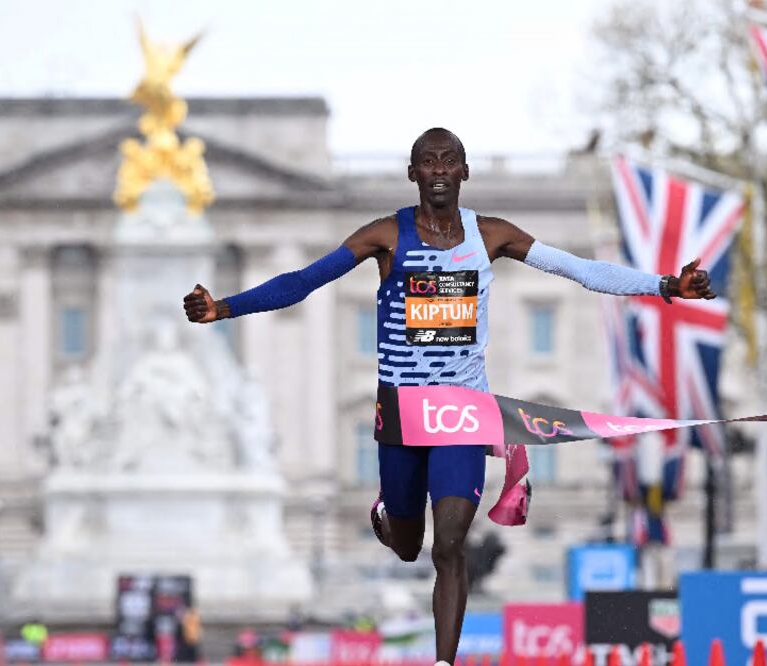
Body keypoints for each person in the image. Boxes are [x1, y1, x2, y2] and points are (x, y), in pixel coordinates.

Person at [183, 128, 715, 665]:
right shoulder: (385, 235)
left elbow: (579, 270)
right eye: (427, 162)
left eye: (449, 160)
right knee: (410, 545)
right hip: (402, 412)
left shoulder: (491, 235)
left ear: (464, 172)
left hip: (462, 410)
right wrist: (224, 308)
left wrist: (665, 285)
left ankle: (443, 662)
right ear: (413, 174)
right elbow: (303, 280)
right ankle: (390, 518)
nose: (439, 169)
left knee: (451, 542)